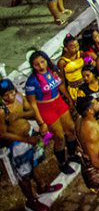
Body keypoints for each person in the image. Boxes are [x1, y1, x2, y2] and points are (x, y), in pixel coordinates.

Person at [0, 78, 63, 211]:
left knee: (32, 164)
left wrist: (19, 115)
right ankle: (31, 201)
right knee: (24, 176)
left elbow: (32, 112)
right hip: (17, 145)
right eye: (5, 95)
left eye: (11, 92)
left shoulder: (18, 97)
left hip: (28, 137)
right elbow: (3, 134)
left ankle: (42, 186)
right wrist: (27, 140)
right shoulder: (1, 111)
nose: (10, 97)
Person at [25, 51, 78, 175]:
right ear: (32, 66)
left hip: (59, 103)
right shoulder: (31, 82)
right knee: (59, 137)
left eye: (42, 62)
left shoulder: (52, 71)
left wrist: (69, 98)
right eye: (36, 64)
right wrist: (41, 122)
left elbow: (60, 86)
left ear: (46, 60)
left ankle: (72, 155)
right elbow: (33, 104)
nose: (41, 66)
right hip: (46, 109)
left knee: (71, 129)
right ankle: (62, 163)